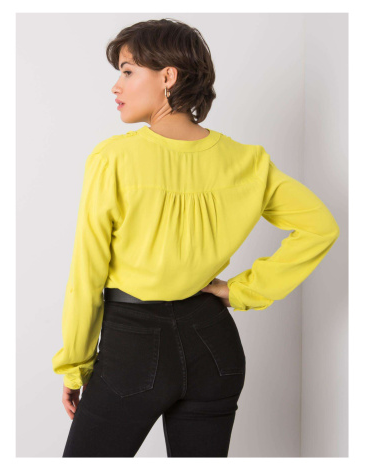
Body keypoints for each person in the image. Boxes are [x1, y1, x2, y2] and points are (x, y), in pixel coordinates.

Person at [51, 18, 340, 458]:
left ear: (168, 76)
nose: (116, 86)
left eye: (127, 71)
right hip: (214, 344)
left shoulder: (114, 158)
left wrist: (75, 366)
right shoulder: (247, 161)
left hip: (132, 349)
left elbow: (86, 274)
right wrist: (239, 291)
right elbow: (321, 226)